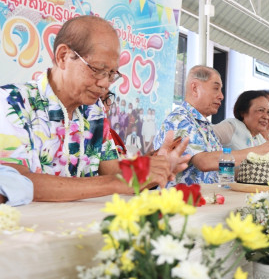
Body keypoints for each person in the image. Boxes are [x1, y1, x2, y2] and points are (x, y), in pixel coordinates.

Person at [0, 15, 190, 201]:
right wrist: (114, 183)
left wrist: (154, 168)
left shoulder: (93, 111)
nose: (104, 83)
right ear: (63, 56)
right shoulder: (12, 102)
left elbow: (113, 170)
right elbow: (14, 183)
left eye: (111, 74)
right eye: (98, 70)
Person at [154, 66, 269, 185]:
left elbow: (220, 167)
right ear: (195, 88)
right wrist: (263, 149)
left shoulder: (203, 124)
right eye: (216, 89)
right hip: (184, 208)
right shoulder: (180, 119)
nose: (221, 96)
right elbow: (203, 162)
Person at [213, 90, 269, 175]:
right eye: (261, 110)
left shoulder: (260, 139)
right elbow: (204, 138)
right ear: (243, 112)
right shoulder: (231, 126)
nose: (266, 116)